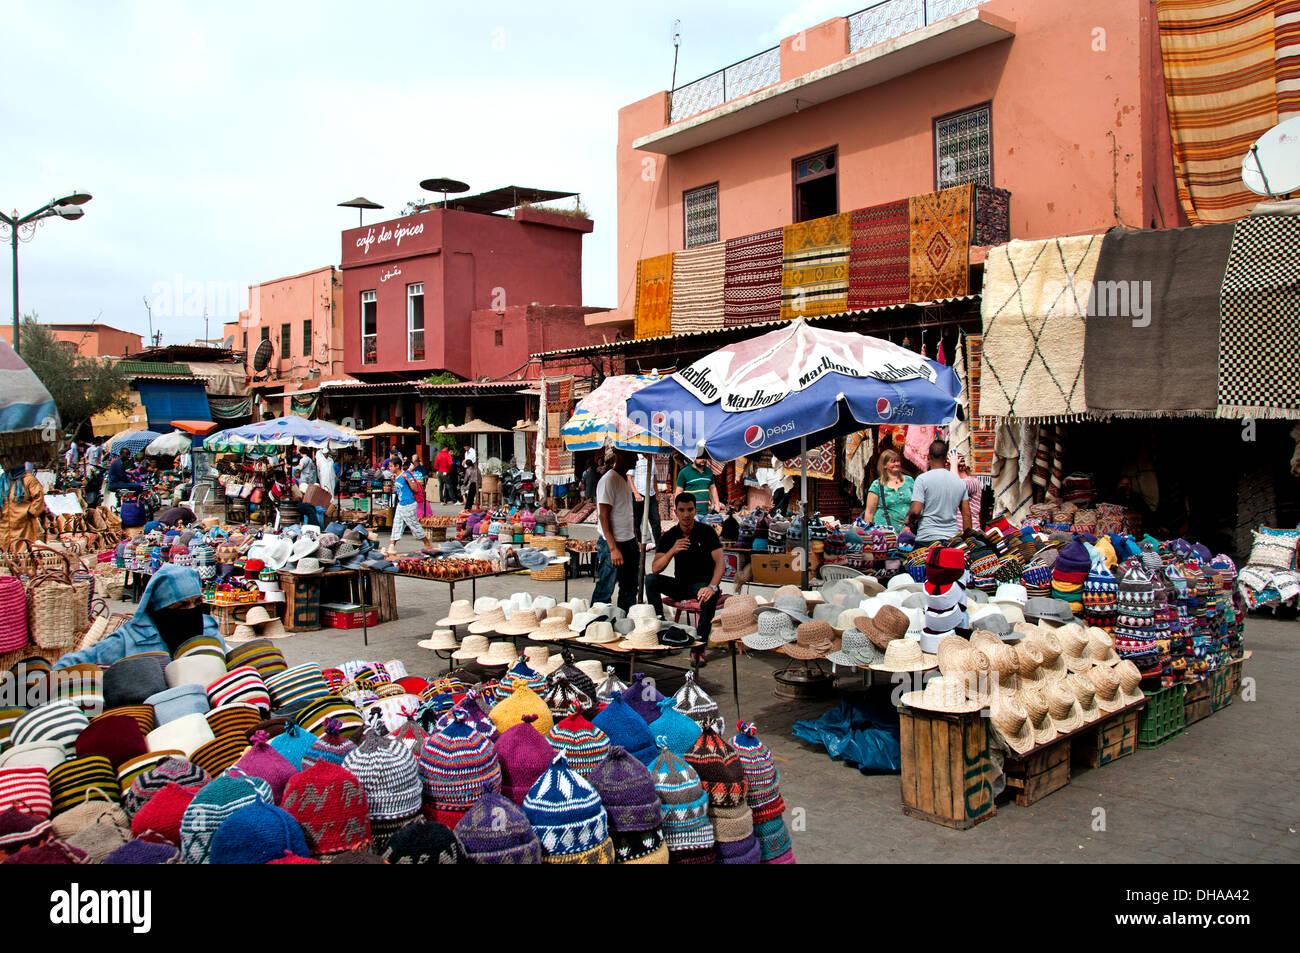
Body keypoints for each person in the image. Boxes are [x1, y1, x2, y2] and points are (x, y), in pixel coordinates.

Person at [55, 564, 223, 668]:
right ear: (160, 608)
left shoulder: (208, 630)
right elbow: (69, 666)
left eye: (197, 603)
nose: (192, 610)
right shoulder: (129, 639)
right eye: (182, 605)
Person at [645, 492, 724, 636]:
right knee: (650, 580)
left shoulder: (707, 532)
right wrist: (672, 551)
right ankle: (659, 624)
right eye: (682, 510)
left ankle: (700, 642)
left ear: (695, 510)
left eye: (690, 510)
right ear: (675, 512)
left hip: (702, 585)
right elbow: (655, 568)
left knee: (710, 595)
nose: (686, 514)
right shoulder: (670, 535)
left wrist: (712, 587)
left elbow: (720, 563)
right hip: (680, 585)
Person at [591, 448, 639, 611]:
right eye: (633, 455)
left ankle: (624, 621)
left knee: (630, 587)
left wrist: (634, 538)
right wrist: (613, 548)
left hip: (628, 541)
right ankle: (597, 624)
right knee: (605, 588)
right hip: (612, 544)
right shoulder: (608, 480)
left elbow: (626, 512)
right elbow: (603, 516)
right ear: (622, 456)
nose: (637, 460)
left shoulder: (623, 480)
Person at [907, 439, 971, 547]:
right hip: (951, 540)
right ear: (946, 459)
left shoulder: (922, 479)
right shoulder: (959, 483)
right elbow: (967, 515)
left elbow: (916, 511)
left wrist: (909, 518)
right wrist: (968, 540)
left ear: (928, 457)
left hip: (926, 539)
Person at [863, 449, 914, 528]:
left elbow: (916, 504)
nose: (897, 464)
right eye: (893, 461)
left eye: (898, 461)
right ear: (884, 465)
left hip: (907, 531)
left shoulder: (909, 481)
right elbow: (869, 512)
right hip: (884, 532)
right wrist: (868, 532)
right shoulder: (877, 485)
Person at [0, 463, 46, 549]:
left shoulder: (28, 479)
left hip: (23, 521)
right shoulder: (3, 479)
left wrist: (31, 511)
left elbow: (38, 497)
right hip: (4, 520)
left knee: (22, 545)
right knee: (4, 545)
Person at [628, 454, 661, 549]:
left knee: (656, 522)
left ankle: (659, 548)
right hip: (639, 494)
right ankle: (638, 545)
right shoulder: (636, 458)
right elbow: (629, 477)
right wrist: (635, 493)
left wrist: (657, 492)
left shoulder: (652, 458)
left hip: (651, 494)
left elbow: (654, 476)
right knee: (636, 523)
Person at [390, 459, 426, 543]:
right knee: (396, 524)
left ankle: (426, 542)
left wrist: (407, 479)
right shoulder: (396, 477)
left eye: (391, 466)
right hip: (401, 504)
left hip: (409, 503)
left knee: (413, 524)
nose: (390, 468)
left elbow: (415, 489)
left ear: (397, 466)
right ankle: (391, 545)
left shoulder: (406, 475)